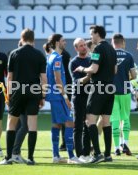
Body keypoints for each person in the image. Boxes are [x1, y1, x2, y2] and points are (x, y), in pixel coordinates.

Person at [0, 28, 47, 165]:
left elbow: (10, 77)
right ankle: (31, 158)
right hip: (34, 92)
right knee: (32, 125)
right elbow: (44, 78)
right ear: (33, 39)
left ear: (22, 38)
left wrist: (9, 95)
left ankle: (8, 158)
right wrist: (42, 96)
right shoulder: (40, 55)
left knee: (11, 123)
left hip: (18, 92)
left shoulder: (14, 53)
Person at [75, 25, 117, 163]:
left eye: (91, 34)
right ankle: (107, 155)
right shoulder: (112, 48)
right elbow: (115, 70)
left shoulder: (98, 48)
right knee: (106, 121)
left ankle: (97, 154)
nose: (91, 37)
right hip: (110, 87)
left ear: (97, 33)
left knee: (89, 120)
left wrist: (82, 68)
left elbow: (93, 68)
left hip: (99, 87)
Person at [45, 34, 81, 164]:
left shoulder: (50, 57)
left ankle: (56, 156)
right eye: (63, 41)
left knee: (57, 124)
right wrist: (66, 97)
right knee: (69, 122)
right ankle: (71, 156)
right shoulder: (57, 58)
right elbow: (57, 79)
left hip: (54, 96)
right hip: (59, 96)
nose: (65, 43)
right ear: (56, 42)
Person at [110, 34, 136, 156]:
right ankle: (125, 144)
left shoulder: (109, 55)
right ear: (123, 42)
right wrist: (125, 78)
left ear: (112, 42)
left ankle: (116, 148)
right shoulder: (129, 56)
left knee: (114, 119)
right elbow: (134, 75)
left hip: (111, 91)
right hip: (125, 90)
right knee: (125, 118)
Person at [69, 38, 91, 162]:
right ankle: (79, 154)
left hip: (90, 97)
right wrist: (90, 74)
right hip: (78, 97)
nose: (84, 47)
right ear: (76, 48)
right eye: (81, 46)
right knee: (78, 126)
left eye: (84, 45)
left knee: (88, 125)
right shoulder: (74, 62)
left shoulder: (90, 61)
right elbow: (77, 82)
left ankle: (87, 153)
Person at [59, 48, 72, 151]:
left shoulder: (63, 55)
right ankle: (67, 142)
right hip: (66, 87)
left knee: (65, 116)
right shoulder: (65, 55)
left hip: (65, 88)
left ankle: (66, 143)